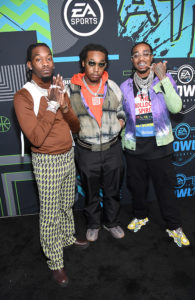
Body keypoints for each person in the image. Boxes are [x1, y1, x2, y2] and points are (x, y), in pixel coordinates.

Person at [14, 43, 88, 287]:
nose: (45, 63)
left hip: (68, 154)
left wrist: (64, 104)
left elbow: (76, 127)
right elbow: (35, 137)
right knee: (49, 215)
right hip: (46, 161)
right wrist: (52, 103)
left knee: (68, 203)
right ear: (30, 65)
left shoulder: (59, 88)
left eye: (49, 58)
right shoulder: (23, 95)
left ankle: (67, 238)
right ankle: (55, 262)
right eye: (38, 59)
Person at [120, 41, 190, 247]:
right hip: (135, 147)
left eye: (145, 54)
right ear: (132, 60)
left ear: (151, 57)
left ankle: (174, 226)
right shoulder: (125, 86)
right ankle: (141, 216)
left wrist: (162, 78)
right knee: (137, 187)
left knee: (165, 189)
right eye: (136, 55)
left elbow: (176, 108)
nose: (141, 58)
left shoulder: (165, 79)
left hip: (160, 146)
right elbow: (123, 114)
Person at [66, 43, 126, 242]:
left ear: (105, 66)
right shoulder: (70, 90)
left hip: (112, 149)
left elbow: (121, 111)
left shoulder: (113, 86)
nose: (96, 68)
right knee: (90, 193)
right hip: (86, 151)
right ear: (83, 63)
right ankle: (93, 224)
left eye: (101, 64)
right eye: (91, 63)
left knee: (113, 191)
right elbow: (64, 120)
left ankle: (112, 222)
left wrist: (120, 122)